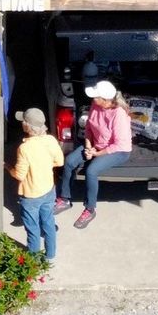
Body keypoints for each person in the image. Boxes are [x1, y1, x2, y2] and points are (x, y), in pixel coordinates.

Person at [55, 80, 132, 228]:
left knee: (91, 171)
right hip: (95, 145)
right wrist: (89, 147)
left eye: (96, 97)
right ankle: (64, 199)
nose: (93, 99)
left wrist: (96, 154)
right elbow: (89, 128)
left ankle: (90, 209)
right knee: (70, 161)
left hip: (117, 151)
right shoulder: (95, 105)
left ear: (106, 100)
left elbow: (118, 144)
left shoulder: (119, 115)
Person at [8, 106, 63, 266]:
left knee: (32, 229)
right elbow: (59, 161)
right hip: (48, 189)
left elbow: (18, 175)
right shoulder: (51, 140)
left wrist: (6, 166)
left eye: (23, 121)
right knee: (48, 222)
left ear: (27, 126)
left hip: (31, 195)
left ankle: (33, 261)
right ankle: (50, 254)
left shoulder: (24, 148)